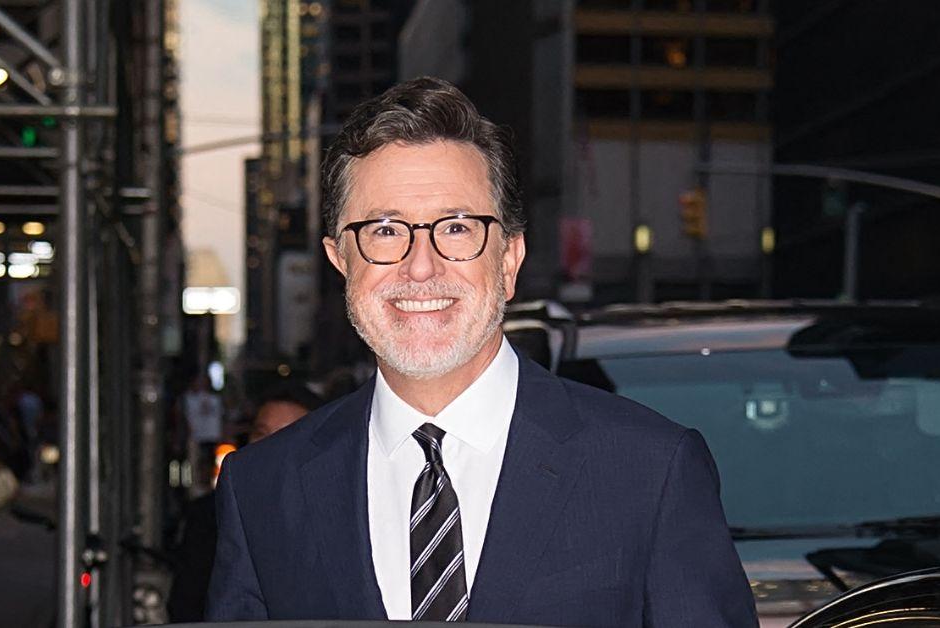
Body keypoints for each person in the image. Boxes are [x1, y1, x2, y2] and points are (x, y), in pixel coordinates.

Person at [207, 77, 756, 626]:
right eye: (385, 231)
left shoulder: (651, 470)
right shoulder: (261, 489)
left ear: (510, 260)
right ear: (340, 260)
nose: (420, 266)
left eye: (457, 228)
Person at [167, 384, 323, 623]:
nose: (272, 447)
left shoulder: (332, 513)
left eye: (287, 435)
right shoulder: (210, 515)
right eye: (262, 434)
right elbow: (187, 605)